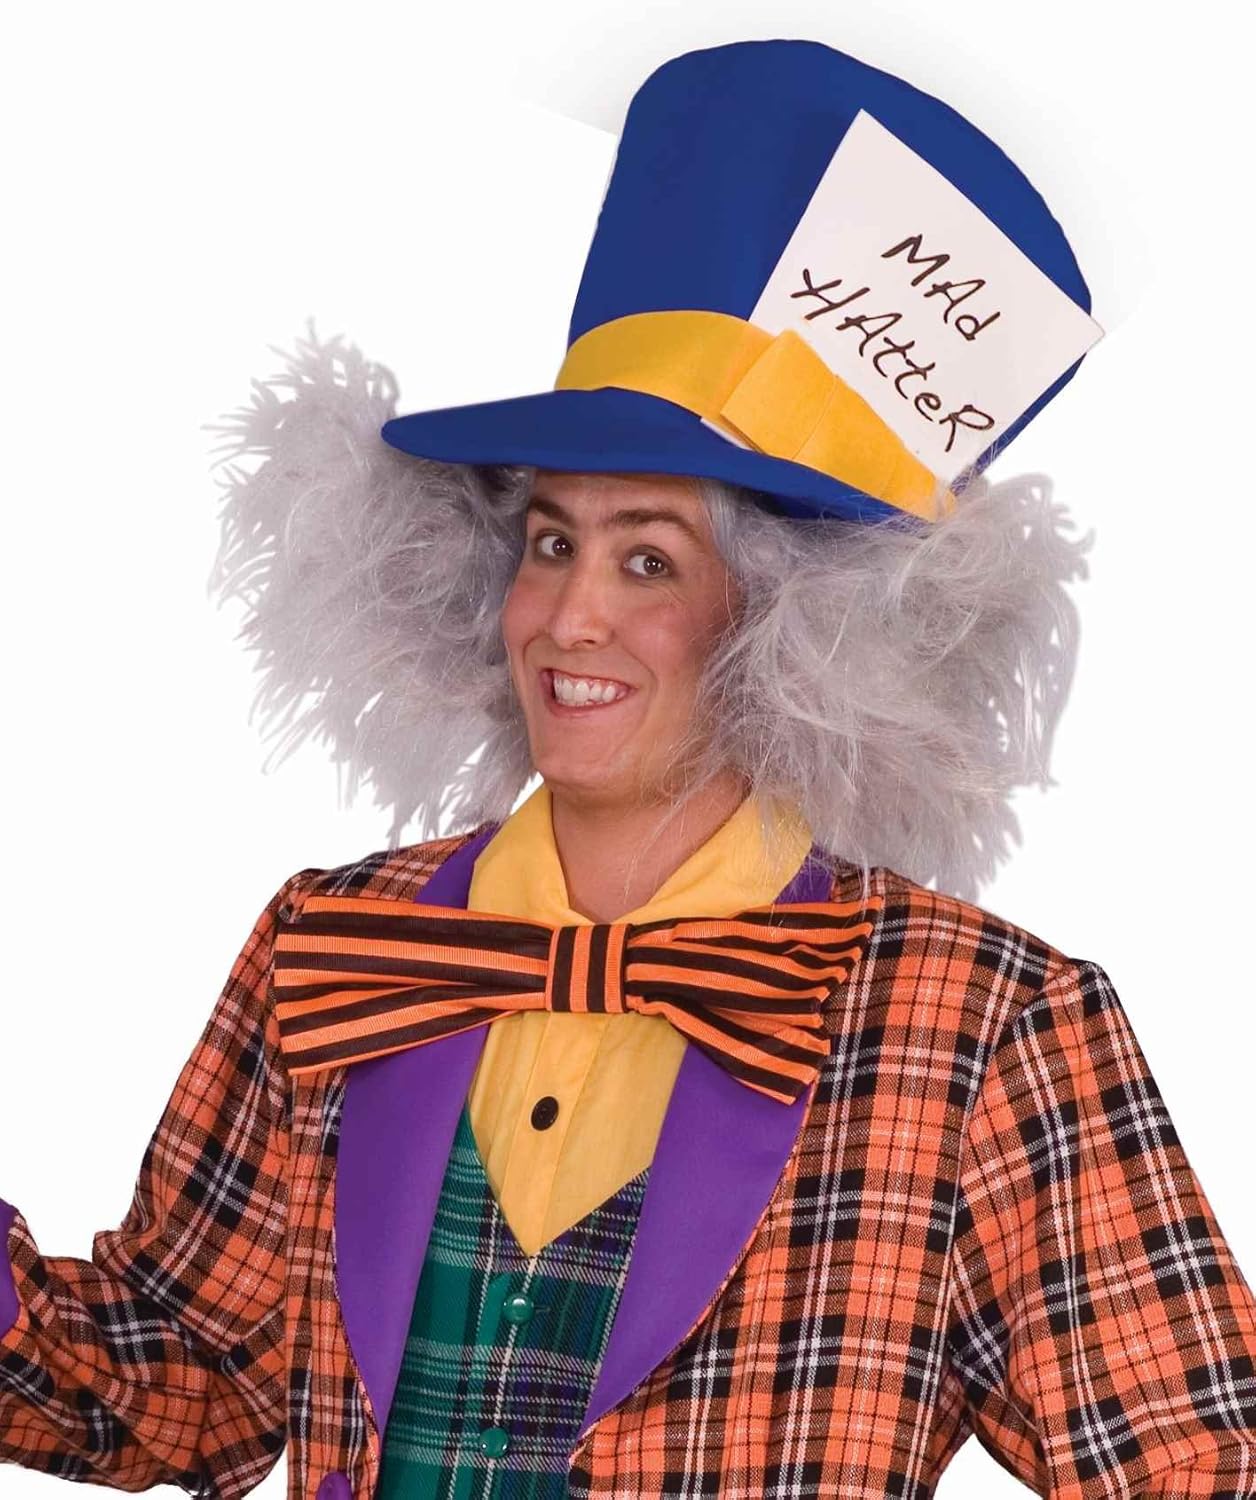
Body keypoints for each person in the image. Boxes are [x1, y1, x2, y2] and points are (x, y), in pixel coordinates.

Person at [4, 34, 1256, 1500]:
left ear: (792, 626)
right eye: (550, 542)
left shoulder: (983, 1025)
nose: (567, 617)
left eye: (647, 559)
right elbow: (183, 1382)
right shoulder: (337, 946)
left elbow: (1198, 1463)